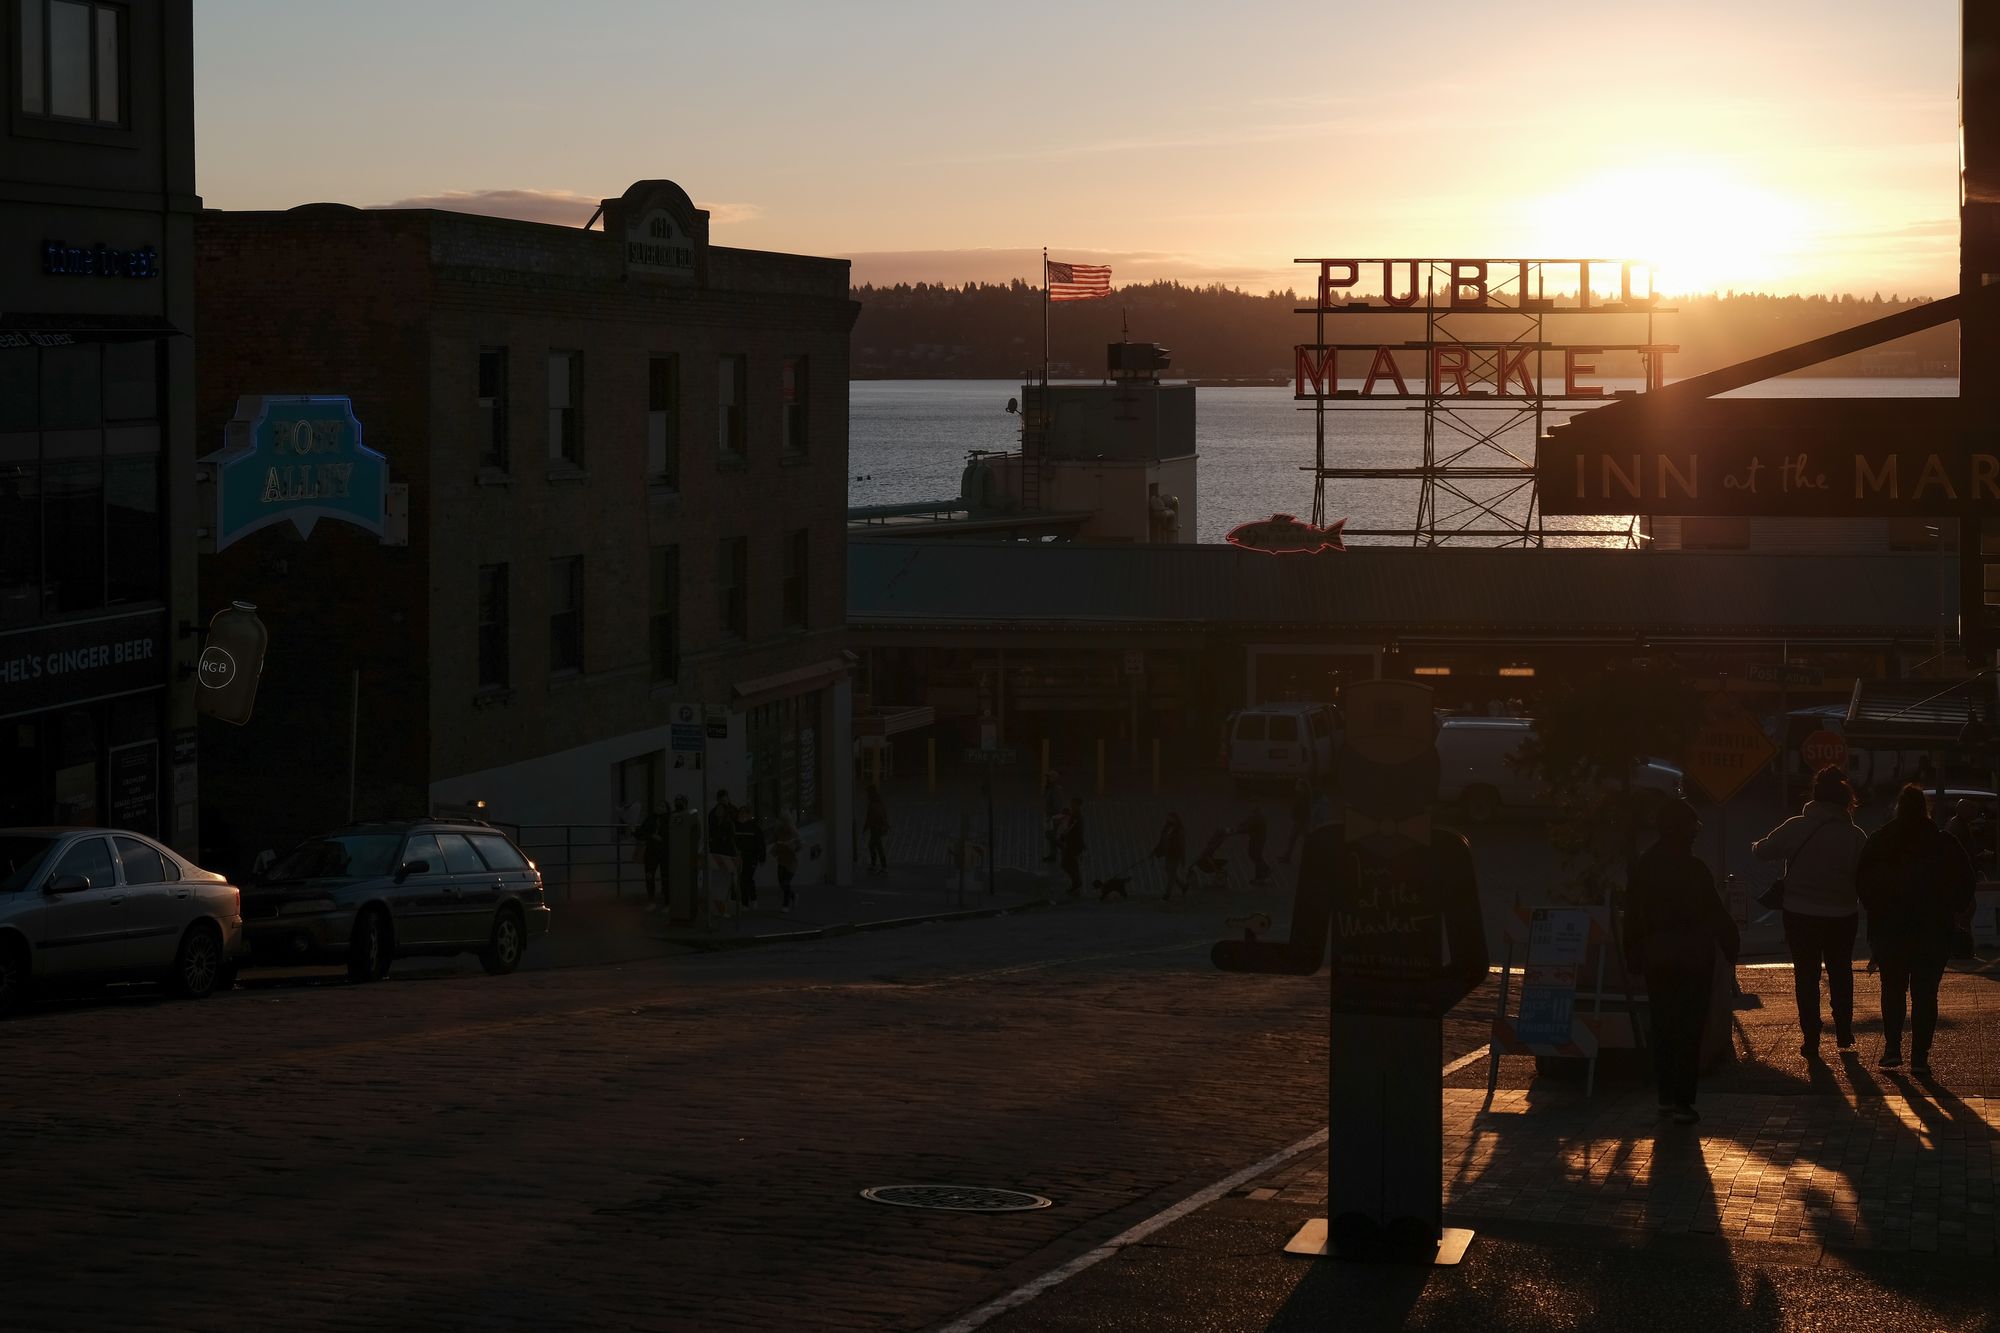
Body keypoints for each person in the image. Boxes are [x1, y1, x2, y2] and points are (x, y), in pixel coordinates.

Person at [1624, 799, 1740, 1125]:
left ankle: (1664, 1095)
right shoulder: (1695, 870)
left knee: (1662, 1024)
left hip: (1658, 957)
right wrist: (1731, 947)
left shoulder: (1645, 866)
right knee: (1690, 1028)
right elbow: (1714, 913)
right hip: (1693, 959)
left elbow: (1633, 914)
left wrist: (1632, 951)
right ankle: (1682, 1101)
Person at [1858, 785, 1977, 1077]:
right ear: (1926, 809)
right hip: (1933, 931)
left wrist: (1877, 914)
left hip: (1890, 930)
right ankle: (1920, 1057)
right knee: (1925, 994)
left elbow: (1864, 885)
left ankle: (1892, 1049)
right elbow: (1966, 882)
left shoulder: (1881, 841)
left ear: (1899, 808)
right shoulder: (1943, 843)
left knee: (1893, 990)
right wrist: (1955, 909)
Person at [1752, 766, 1869, 1059]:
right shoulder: (1855, 836)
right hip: (1842, 915)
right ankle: (1843, 1030)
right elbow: (1864, 876)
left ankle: (1811, 1038)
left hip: (1800, 913)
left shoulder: (1796, 826)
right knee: (1841, 972)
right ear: (1846, 801)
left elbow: (1763, 851)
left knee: (1806, 977)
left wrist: (1757, 845)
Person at [632, 800, 670, 913]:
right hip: (651, 852)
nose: (659, 807)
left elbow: (674, 835)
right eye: (658, 805)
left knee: (666, 878)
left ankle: (668, 903)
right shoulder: (650, 819)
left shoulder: (670, 819)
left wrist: (662, 838)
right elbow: (642, 833)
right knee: (649, 876)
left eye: (662, 806)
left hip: (665, 852)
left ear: (667, 809)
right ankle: (651, 902)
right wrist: (649, 835)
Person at [734, 805, 765, 909]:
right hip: (739, 857)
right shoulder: (735, 826)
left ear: (748, 815)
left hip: (751, 857)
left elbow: (760, 843)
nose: (741, 814)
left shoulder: (754, 828)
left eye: (744, 813)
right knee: (743, 879)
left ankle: (750, 899)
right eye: (740, 812)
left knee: (746, 879)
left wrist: (761, 857)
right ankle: (745, 902)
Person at [1153, 811, 1187, 900]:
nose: (1169, 819)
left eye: (1171, 817)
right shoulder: (1166, 828)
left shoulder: (1179, 830)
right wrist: (1156, 851)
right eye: (1168, 817)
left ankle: (1167, 894)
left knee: (1171, 874)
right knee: (1170, 872)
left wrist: (1183, 857)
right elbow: (1162, 841)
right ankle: (1183, 886)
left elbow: (1182, 844)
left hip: (1176, 854)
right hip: (1168, 854)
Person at [772, 809, 801, 912]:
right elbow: (775, 845)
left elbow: (799, 846)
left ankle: (785, 904)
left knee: (786, 882)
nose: (783, 823)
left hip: (791, 862)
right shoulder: (778, 832)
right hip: (781, 860)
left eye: (784, 821)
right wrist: (775, 849)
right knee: (781, 883)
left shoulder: (793, 833)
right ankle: (793, 895)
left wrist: (792, 847)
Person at [1058, 795, 1087, 897]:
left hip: (1073, 844)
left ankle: (1076, 882)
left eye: (1073, 804)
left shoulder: (1076, 817)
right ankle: (1076, 884)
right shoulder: (1076, 815)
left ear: (1078, 805)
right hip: (1076, 844)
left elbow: (1069, 830)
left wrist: (1062, 837)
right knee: (1073, 863)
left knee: (1065, 864)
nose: (1071, 805)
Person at [1234, 805, 1271, 885]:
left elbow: (1247, 827)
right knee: (1253, 855)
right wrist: (1240, 826)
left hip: (1257, 839)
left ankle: (1259, 877)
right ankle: (1265, 869)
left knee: (1256, 856)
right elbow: (1246, 822)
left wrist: (1237, 830)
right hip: (1256, 838)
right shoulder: (1255, 815)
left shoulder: (1257, 817)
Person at [1278, 778, 1311, 865]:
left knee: (1294, 839)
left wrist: (1297, 817)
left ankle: (1287, 858)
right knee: (1295, 839)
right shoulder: (1303, 795)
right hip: (1300, 821)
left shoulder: (1304, 796)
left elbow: (1304, 809)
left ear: (1302, 786)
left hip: (1300, 822)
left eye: (1297, 784)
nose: (1295, 786)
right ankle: (1287, 857)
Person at [863, 784, 890, 875]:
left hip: (876, 828)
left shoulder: (874, 803)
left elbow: (871, 817)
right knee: (873, 845)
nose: (867, 795)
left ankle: (883, 867)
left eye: (868, 793)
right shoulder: (877, 801)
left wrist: (866, 826)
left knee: (877, 846)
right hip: (877, 827)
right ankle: (876, 865)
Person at [1041, 771, 1067, 863]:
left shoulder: (1056, 790)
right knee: (1051, 835)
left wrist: (1052, 814)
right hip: (1051, 816)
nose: (1047, 779)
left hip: (1055, 816)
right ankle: (1053, 855)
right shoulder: (1050, 789)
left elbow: (1057, 805)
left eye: (1049, 777)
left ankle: (1063, 850)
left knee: (1051, 835)